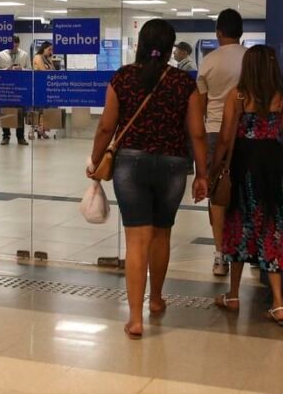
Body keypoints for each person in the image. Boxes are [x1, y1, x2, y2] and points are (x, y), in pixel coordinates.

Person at [87, 19, 209, 339]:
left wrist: (95, 159)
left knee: (136, 240)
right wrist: (203, 174)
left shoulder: (123, 77)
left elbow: (106, 126)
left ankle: (135, 319)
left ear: (141, 44)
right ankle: (155, 299)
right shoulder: (183, 83)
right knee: (161, 234)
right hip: (173, 165)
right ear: (171, 49)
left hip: (130, 164)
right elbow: (197, 133)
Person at [210, 45, 283, 326]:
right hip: (271, 170)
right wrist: (271, 152)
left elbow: (225, 139)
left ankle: (233, 295)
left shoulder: (237, 95)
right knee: (271, 228)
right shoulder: (281, 98)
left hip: (243, 166)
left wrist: (213, 170)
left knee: (238, 226)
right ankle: (278, 304)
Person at [195, 9, 246, 277]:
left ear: (218, 33)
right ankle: (245, 252)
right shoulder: (250, 59)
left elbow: (201, 105)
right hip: (245, 133)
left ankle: (219, 256)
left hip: (215, 132)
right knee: (243, 193)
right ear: (241, 33)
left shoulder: (208, 61)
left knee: (217, 194)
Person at [0, 35, 30, 145]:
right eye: (12, 45)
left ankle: (20, 137)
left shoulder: (24, 55)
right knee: (5, 111)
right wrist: (7, 69)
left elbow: (29, 70)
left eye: (16, 45)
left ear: (18, 44)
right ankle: (6, 136)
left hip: (20, 87)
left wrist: (21, 69)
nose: (14, 47)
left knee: (20, 112)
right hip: (6, 87)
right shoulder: (1, 55)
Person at [32, 41, 56, 139]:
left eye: (51, 50)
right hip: (39, 86)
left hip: (47, 87)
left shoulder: (47, 58)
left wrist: (50, 59)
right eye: (49, 49)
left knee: (46, 109)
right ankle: (38, 128)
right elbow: (43, 71)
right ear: (43, 48)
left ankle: (43, 129)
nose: (50, 51)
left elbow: (53, 70)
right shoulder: (38, 57)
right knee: (40, 109)